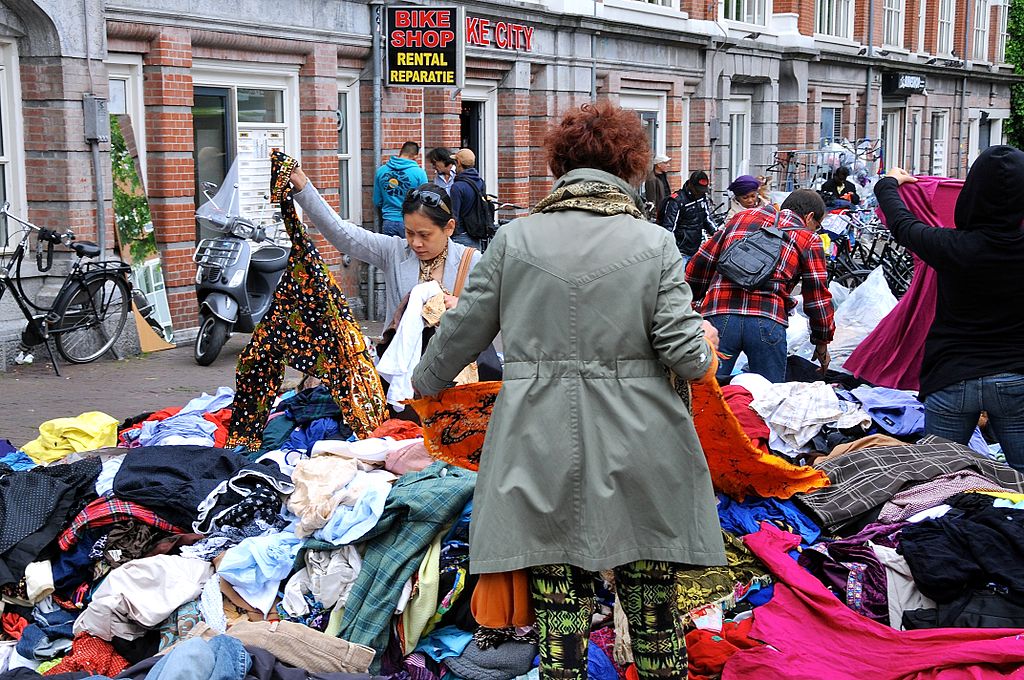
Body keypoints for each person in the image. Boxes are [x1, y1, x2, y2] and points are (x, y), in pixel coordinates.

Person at [412, 101, 726, 680]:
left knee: (561, 616)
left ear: (561, 167)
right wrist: (705, 349)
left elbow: (460, 333)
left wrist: (423, 382)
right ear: (629, 167)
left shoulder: (514, 241)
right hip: (643, 442)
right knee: (651, 608)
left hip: (539, 438)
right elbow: (685, 354)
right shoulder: (654, 243)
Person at [881, 147, 1024, 470]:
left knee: (939, 481)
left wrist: (888, 183)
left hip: (951, 377)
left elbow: (902, 224)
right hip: (1016, 379)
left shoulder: (951, 246)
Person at [290, 167, 480, 322]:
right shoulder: (395, 251)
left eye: (425, 235)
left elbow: (497, 311)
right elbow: (343, 235)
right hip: (401, 366)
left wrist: (464, 306)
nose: (415, 243)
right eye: (409, 232)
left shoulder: (471, 261)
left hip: (452, 367)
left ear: (449, 227)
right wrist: (304, 188)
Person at [686, 188, 835, 383]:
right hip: (767, 321)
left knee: (706, 393)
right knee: (768, 399)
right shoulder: (809, 239)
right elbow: (818, 299)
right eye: (817, 225)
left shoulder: (741, 218)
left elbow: (703, 261)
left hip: (719, 315)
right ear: (809, 217)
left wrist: (691, 300)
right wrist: (822, 341)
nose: (816, 230)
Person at [373, 141, 429, 237]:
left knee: (390, 251)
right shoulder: (419, 173)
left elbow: (377, 201)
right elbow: (425, 200)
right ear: (416, 156)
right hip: (410, 222)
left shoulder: (381, 171)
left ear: (401, 152)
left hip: (388, 221)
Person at [660, 170, 716, 263]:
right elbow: (669, 228)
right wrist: (671, 251)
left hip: (696, 248)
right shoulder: (676, 201)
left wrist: (718, 234)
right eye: (698, 190)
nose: (699, 193)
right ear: (691, 185)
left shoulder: (702, 197)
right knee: (680, 277)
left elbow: (707, 219)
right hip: (680, 251)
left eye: (702, 190)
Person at [450, 148, 488, 249]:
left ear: (458, 163)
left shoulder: (457, 187)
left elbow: (454, 214)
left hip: (461, 236)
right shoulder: (480, 182)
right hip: (476, 234)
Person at [642, 154, 671, 222]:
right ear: (659, 165)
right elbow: (651, 200)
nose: (668, 165)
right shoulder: (651, 179)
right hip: (659, 215)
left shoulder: (663, 175)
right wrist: (655, 215)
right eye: (666, 163)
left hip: (665, 211)